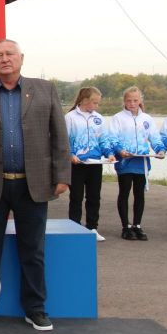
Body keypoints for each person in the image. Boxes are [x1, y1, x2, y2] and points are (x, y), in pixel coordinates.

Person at [0, 39, 70, 331]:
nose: (5, 58)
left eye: (10, 54)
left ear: (21, 58)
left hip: (33, 185)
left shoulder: (45, 90)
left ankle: (36, 309)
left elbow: (59, 135)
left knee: (33, 251)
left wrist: (62, 175)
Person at [110, 86, 166, 241]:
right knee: (125, 192)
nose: (132, 104)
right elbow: (112, 138)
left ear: (140, 100)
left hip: (141, 162)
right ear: (124, 101)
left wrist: (160, 150)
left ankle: (137, 225)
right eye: (129, 101)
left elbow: (155, 137)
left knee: (139, 194)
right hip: (125, 162)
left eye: (135, 100)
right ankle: (126, 227)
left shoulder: (147, 118)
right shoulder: (118, 118)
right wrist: (120, 151)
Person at [65, 86, 116, 242]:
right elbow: (64, 140)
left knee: (94, 197)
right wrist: (71, 155)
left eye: (98, 103)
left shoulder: (98, 118)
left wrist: (109, 153)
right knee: (76, 197)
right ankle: (74, 227)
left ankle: (92, 227)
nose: (96, 106)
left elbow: (103, 139)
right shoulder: (70, 117)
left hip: (95, 164)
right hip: (77, 164)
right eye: (95, 102)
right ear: (84, 100)